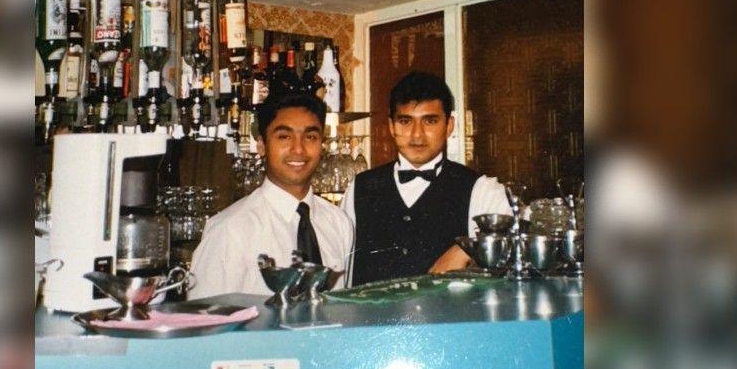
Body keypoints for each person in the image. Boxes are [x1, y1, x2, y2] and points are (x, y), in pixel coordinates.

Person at [341, 70, 510, 286]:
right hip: (370, 319)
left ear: (449, 126)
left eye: (429, 121)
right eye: (405, 121)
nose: (417, 135)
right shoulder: (360, 187)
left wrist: (465, 248)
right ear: (392, 127)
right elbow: (342, 274)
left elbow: (514, 234)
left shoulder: (480, 189)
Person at [190, 92, 354, 299]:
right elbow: (204, 319)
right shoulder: (230, 230)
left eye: (310, 137)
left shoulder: (338, 223)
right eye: (284, 136)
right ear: (261, 145)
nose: (298, 149)